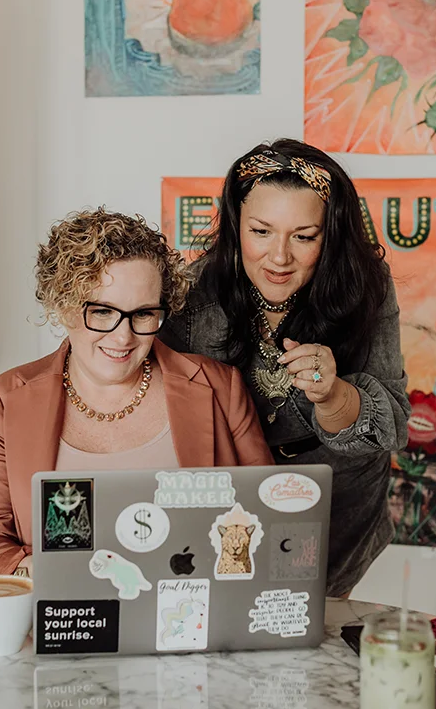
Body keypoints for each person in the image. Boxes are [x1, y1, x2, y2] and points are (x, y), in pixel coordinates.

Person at [0, 209, 272, 581]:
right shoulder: (6, 399)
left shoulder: (220, 388)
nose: (123, 338)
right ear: (63, 304)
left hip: (189, 622)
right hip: (68, 623)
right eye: (102, 311)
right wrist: (48, 574)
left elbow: (268, 518)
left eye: (143, 314)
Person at [160, 140, 410, 595]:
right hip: (230, 491)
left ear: (330, 235)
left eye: (303, 236)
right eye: (261, 231)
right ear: (236, 225)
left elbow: (391, 421)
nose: (279, 257)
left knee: (311, 631)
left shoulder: (365, 288)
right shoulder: (191, 296)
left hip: (338, 495)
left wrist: (332, 395)